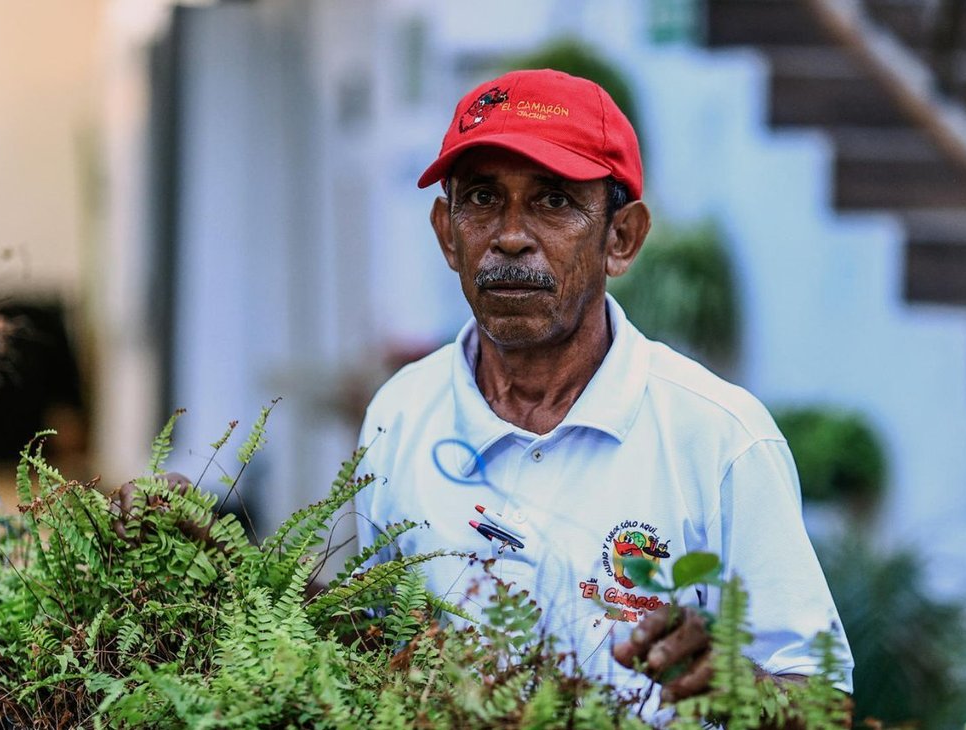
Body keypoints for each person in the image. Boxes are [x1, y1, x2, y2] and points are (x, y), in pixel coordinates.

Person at [354, 68, 853, 711]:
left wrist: (742, 687)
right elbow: (371, 652)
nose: (509, 235)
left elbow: (827, 703)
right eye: (481, 199)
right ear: (447, 233)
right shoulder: (399, 414)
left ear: (622, 238)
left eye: (553, 201)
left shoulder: (720, 437)